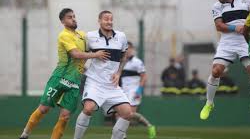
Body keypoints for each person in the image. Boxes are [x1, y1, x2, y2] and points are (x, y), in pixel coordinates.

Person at [19, 8, 109, 139]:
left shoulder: (83, 35)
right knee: (44, 109)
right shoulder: (64, 35)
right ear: (63, 21)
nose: (73, 19)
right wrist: (96, 55)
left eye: (74, 16)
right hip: (60, 78)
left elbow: (96, 43)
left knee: (65, 117)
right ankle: (25, 134)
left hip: (75, 81)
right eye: (69, 17)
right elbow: (75, 54)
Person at [200, 0, 250, 123]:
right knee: (216, 71)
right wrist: (234, 27)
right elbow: (219, 26)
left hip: (245, 42)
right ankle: (209, 103)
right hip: (227, 42)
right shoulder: (217, 6)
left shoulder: (247, 1)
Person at [74, 10, 132, 139]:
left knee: (128, 113)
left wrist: (118, 73)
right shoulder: (90, 36)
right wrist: (94, 56)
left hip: (112, 85)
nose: (109, 22)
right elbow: (80, 55)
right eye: (106, 19)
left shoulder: (121, 36)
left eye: (111, 19)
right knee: (88, 109)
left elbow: (124, 56)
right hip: (94, 82)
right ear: (99, 21)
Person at [120, 41, 156, 139]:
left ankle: (149, 126)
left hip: (134, 91)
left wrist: (139, 89)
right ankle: (122, 135)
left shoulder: (137, 62)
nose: (127, 51)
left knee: (129, 114)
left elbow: (144, 77)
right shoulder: (121, 62)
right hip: (123, 91)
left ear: (132, 49)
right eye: (126, 49)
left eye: (129, 48)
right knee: (119, 113)